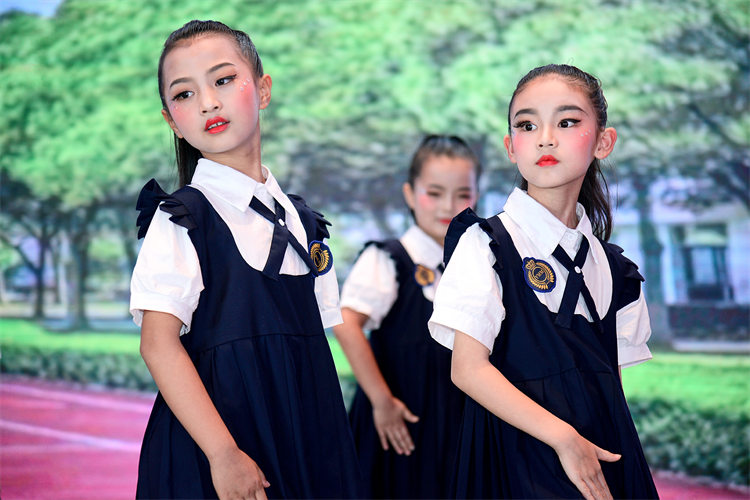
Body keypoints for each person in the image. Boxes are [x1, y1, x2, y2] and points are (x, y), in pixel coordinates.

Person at [130, 20, 361, 499]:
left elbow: (310, 345)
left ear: (263, 89)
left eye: (223, 79)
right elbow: (158, 345)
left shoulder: (305, 223)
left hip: (308, 439)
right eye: (185, 94)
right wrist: (223, 454)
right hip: (218, 450)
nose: (208, 102)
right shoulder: (181, 220)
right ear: (171, 120)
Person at [428, 64, 659, 500]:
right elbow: (468, 369)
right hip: (513, 465)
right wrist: (564, 439)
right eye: (527, 125)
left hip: (602, 463)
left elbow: (611, 390)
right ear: (510, 147)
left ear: (604, 141)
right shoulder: (485, 244)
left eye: (567, 122)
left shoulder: (617, 271)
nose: (545, 138)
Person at [334, 134, 480, 498]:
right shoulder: (388, 258)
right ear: (410, 194)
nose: (448, 205)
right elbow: (347, 323)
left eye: (462, 194)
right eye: (435, 193)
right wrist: (382, 401)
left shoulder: (475, 267)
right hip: (398, 427)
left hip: (455, 426)